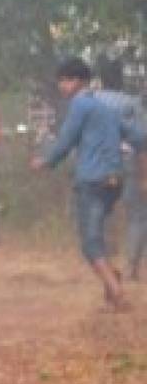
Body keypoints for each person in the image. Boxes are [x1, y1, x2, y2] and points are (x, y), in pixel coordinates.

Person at [31, 57, 145, 310]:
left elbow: (66, 140)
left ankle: (117, 292)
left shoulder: (80, 104)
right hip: (115, 180)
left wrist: (46, 161)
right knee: (99, 236)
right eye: (61, 80)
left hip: (92, 179)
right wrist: (142, 173)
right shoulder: (106, 108)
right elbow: (140, 138)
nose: (63, 85)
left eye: (68, 80)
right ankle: (111, 292)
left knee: (90, 243)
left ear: (81, 81)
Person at [91, 58, 147, 282]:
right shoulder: (131, 103)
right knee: (137, 215)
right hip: (128, 160)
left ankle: (103, 262)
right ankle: (132, 266)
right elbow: (142, 139)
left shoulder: (90, 101)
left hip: (98, 162)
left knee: (100, 212)